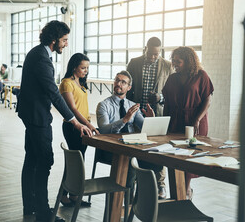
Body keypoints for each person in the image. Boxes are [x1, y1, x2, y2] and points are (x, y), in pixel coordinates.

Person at [17, 20, 92, 222]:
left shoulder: (39, 54)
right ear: (54, 39)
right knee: (44, 160)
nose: (66, 44)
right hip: (37, 117)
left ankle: (30, 207)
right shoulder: (42, 58)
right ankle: (42, 212)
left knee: (32, 160)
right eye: (64, 40)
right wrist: (74, 122)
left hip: (33, 115)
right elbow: (53, 93)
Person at [96, 70, 161, 200]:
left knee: (156, 163)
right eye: (117, 80)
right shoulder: (103, 105)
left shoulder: (132, 106)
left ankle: (138, 202)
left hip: (131, 147)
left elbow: (144, 129)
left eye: (123, 82)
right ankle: (126, 201)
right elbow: (103, 130)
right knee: (132, 161)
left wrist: (150, 120)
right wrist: (124, 120)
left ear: (129, 87)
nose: (118, 84)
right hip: (110, 149)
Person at [162, 46, 214, 200]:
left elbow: (207, 99)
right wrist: (165, 123)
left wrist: (197, 119)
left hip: (195, 120)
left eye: (178, 62)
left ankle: (185, 190)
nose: (175, 64)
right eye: (174, 61)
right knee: (174, 155)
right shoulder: (172, 78)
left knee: (190, 156)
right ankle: (180, 191)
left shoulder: (201, 76)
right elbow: (167, 102)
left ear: (189, 61)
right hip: (176, 119)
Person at [126, 37, 173, 199]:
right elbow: (127, 87)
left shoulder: (167, 66)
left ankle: (160, 184)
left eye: (157, 54)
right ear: (145, 48)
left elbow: (173, 94)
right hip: (137, 114)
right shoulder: (134, 63)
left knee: (159, 149)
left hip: (157, 115)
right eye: (151, 53)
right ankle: (140, 181)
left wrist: (160, 98)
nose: (154, 57)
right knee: (138, 147)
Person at [59, 53, 99, 207]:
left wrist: (88, 123)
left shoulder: (80, 83)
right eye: (83, 68)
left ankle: (73, 195)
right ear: (74, 66)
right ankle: (65, 195)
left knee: (78, 162)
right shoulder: (66, 83)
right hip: (73, 126)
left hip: (84, 125)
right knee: (75, 162)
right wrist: (89, 125)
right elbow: (72, 109)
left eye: (87, 68)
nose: (86, 71)